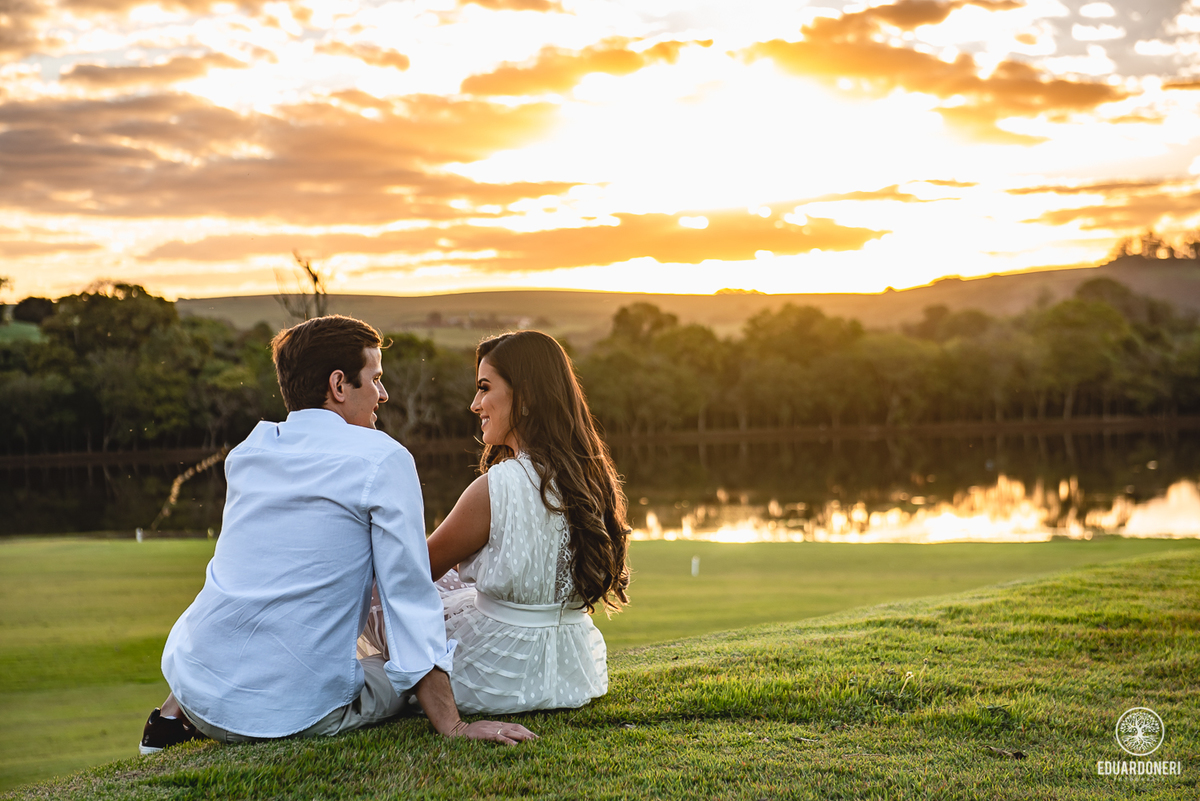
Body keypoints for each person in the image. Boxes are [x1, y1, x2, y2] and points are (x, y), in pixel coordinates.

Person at [140, 315, 535, 754]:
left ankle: (169, 718)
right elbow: (405, 596)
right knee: (399, 669)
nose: (383, 394)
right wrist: (454, 725)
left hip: (199, 688)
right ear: (339, 386)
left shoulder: (250, 450)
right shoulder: (382, 458)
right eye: (376, 379)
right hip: (294, 710)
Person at [360, 330, 630, 714]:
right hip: (575, 671)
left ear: (527, 398)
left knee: (376, 586)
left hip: (495, 675)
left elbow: (411, 573)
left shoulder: (497, 485)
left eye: (485, 388)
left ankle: (333, 675)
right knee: (454, 582)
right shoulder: (591, 478)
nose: (475, 404)